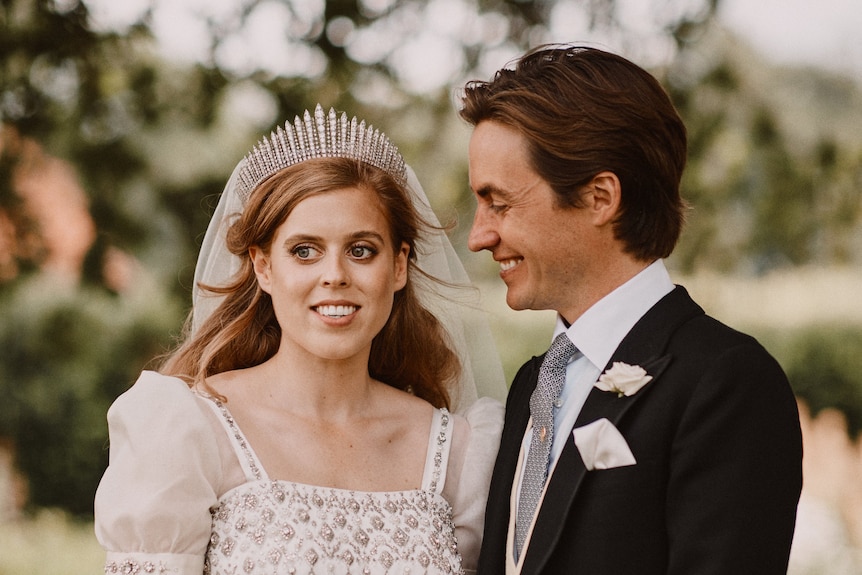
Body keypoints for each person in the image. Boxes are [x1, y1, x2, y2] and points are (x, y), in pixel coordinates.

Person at [95, 105, 506, 574]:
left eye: (361, 250)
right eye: (304, 251)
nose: (334, 276)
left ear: (397, 266)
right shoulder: (188, 431)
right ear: (263, 266)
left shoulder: (460, 452)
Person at [458, 45, 803, 574]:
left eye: (499, 203)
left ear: (600, 197)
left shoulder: (725, 382)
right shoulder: (533, 385)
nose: (479, 236)